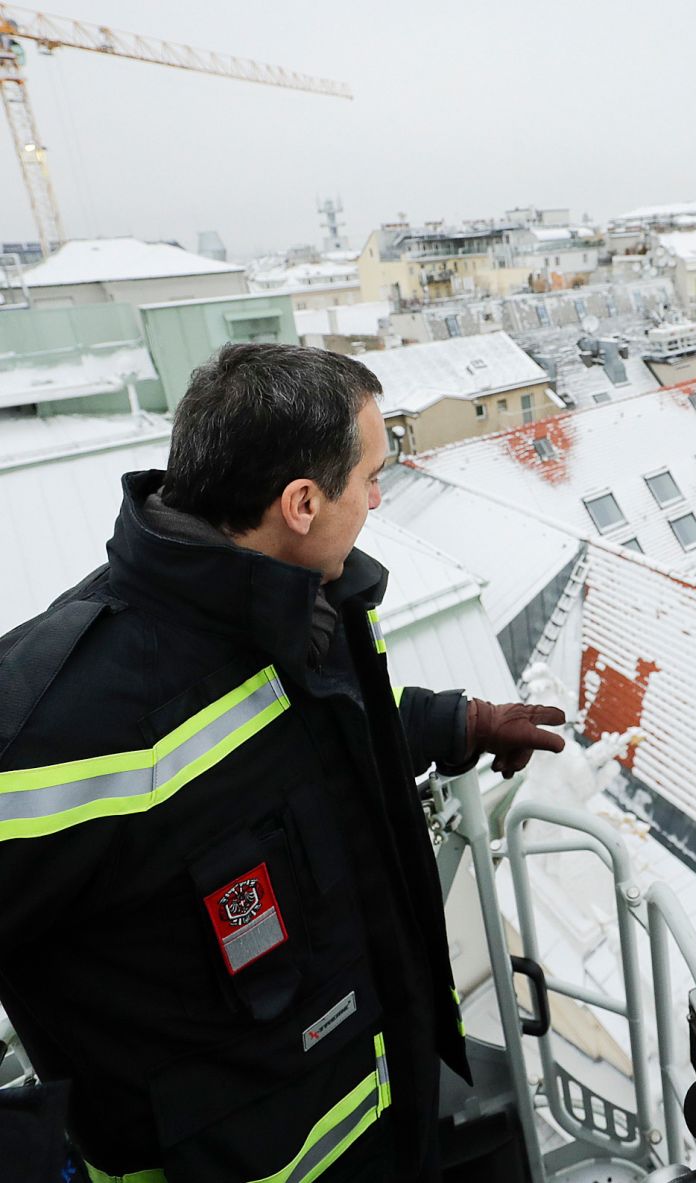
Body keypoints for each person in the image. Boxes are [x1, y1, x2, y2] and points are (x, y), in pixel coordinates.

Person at [0, 343, 567, 1183]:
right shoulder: (66, 713)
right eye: (370, 477)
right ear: (301, 502)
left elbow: (303, 744)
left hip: (386, 1120)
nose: (378, 499)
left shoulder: (289, 599)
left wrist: (456, 723)